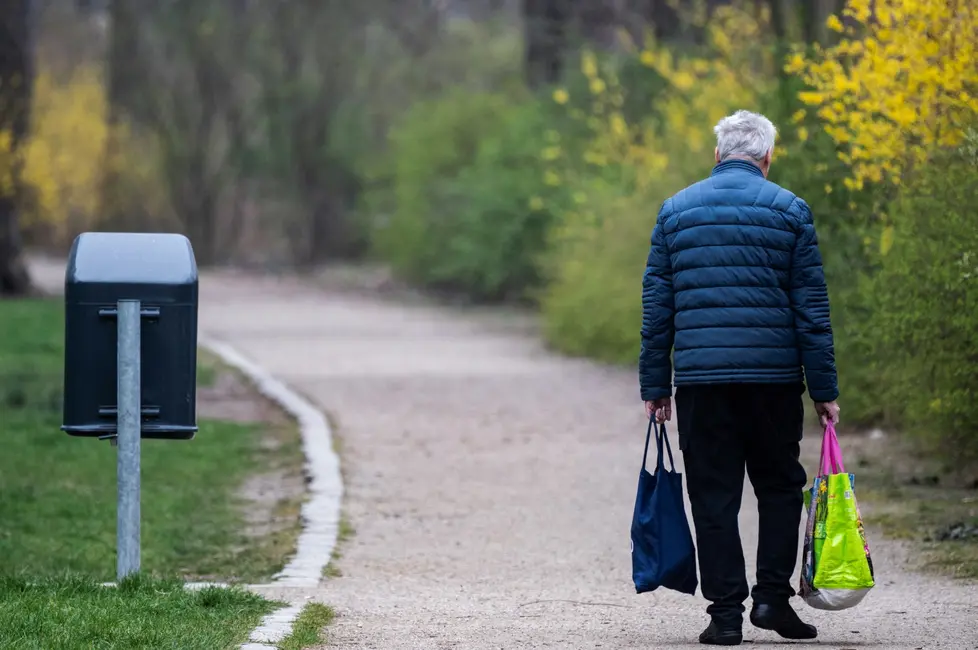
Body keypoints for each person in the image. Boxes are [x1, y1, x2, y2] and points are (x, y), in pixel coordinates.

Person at [638, 110, 841, 646]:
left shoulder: (674, 212)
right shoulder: (791, 211)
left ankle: (725, 613)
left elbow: (658, 308)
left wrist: (655, 384)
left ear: (717, 156)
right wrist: (824, 390)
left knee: (713, 494)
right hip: (773, 382)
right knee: (779, 487)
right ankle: (772, 599)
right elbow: (811, 310)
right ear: (767, 158)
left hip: (703, 383)